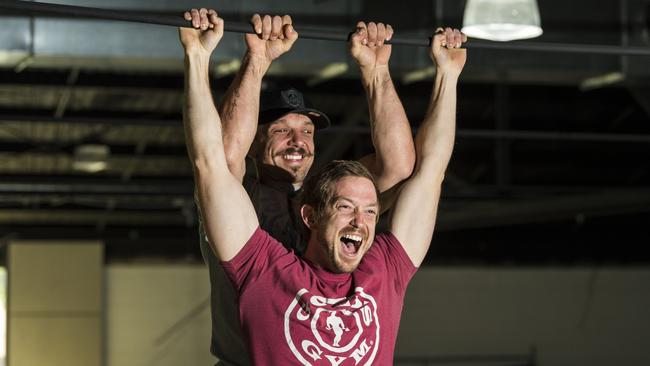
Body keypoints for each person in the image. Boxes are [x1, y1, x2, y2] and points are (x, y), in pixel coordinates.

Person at [180, 8, 468, 365]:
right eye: (282, 130)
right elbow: (217, 161)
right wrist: (255, 59)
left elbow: (402, 168)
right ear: (255, 142)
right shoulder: (245, 201)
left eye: (307, 131)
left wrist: (376, 70)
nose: (298, 141)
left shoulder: (330, 198)